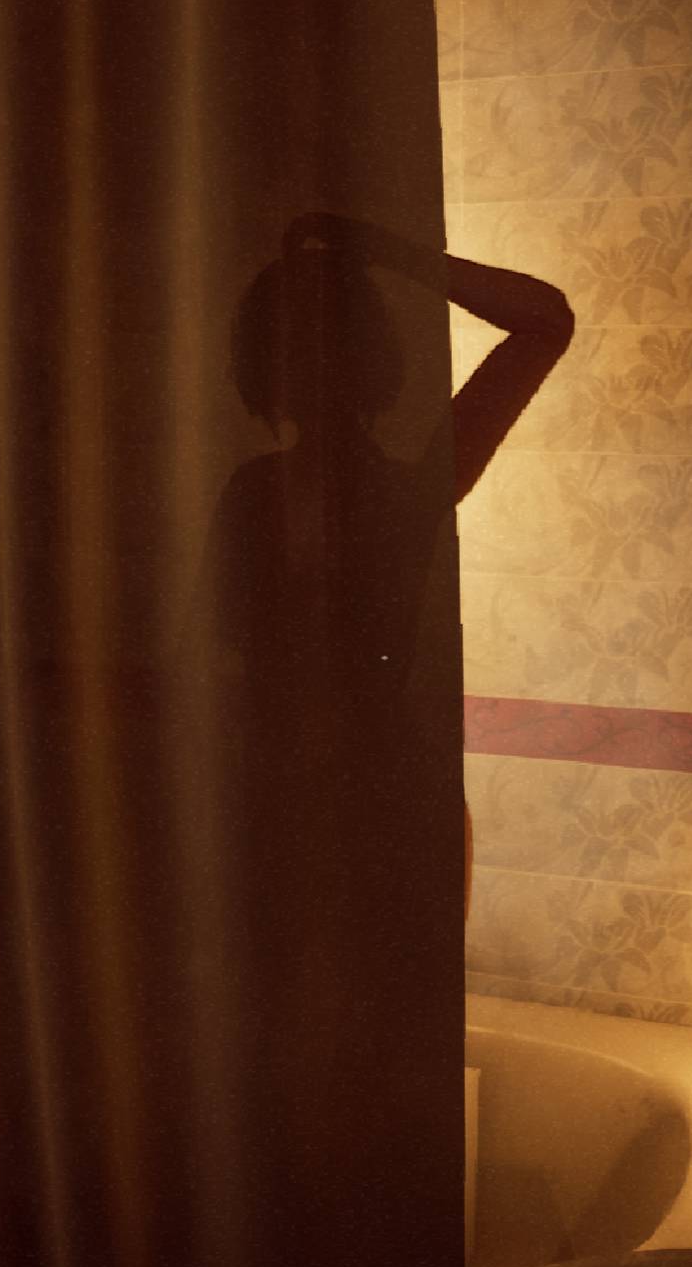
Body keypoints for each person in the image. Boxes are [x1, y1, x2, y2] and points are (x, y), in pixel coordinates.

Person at [210, 211, 573, 916]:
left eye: (324, 344)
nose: (313, 367)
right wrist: (390, 252)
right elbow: (545, 324)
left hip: (348, 796)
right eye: (298, 345)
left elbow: (546, 322)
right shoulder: (385, 492)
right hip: (313, 795)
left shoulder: (390, 492)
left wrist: (387, 248)